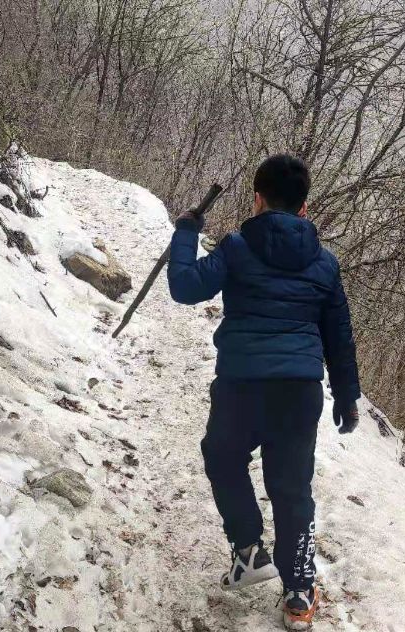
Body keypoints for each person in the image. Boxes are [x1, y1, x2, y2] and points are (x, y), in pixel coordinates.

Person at [166, 154, 361, 630]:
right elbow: (339, 334)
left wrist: (187, 232)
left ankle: (249, 550)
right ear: (304, 208)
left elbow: (185, 287)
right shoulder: (325, 263)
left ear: (257, 199)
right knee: (293, 489)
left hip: (241, 386)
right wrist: (347, 396)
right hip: (299, 391)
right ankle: (299, 591)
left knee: (223, 455)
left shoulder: (236, 246)